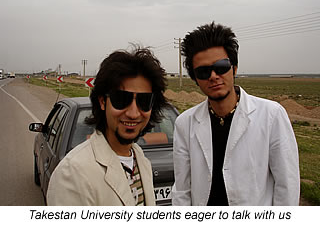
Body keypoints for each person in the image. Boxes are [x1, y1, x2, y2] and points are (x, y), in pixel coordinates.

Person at [172, 21, 300, 206]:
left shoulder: (271, 115)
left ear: (234, 69)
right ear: (195, 79)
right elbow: (182, 190)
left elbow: (287, 186)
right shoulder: (185, 123)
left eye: (221, 66)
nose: (214, 76)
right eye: (203, 71)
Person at [47, 46, 168, 205]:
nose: (133, 113)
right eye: (121, 100)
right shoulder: (72, 173)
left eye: (144, 102)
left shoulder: (140, 159)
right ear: (103, 101)